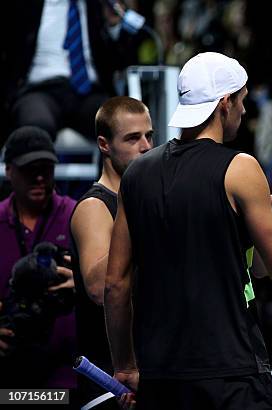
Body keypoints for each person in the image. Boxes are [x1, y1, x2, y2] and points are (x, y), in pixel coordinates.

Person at [103, 52, 272, 409]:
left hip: (161, 377)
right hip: (230, 376)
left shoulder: (135, 174)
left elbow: (115, 284)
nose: (244, 112)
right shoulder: (240, 168)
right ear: (225, 103)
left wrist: (124, 365)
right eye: (242, 101)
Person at [70, 96, 153, 408]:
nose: (145, 146)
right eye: (132, 138)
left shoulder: (143, 201)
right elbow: (100, 287)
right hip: (108, 381)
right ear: (104, 145)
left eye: (149, 136)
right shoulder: (94, 206)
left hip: (147, 369)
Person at [0, 126, 76, 388]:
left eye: (46, 168)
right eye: (29, 169)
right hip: (9, 370)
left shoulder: (77, 217)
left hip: (67, 371)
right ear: (9, 170)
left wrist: (85, 282)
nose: (40, 177)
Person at [2, 0, 139, 144]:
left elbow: (121, 61)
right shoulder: (24, 6)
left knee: (122, 124)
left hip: (88, 93)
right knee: (36, 127)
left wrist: (113, 26)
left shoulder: (97, 5)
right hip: (40, 90)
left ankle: (112, 167)